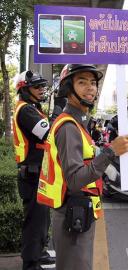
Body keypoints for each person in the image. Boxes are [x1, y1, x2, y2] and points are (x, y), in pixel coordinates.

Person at [36, 64, 128, 270]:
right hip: (72, 214)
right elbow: (75, 180)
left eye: (92, 83)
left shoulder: (78, 123)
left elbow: (86, 159)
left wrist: (112, 151)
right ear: (68, 90)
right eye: (82, 82)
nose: (90, 88)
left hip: (78, 213)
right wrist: (110, 152)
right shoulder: (68, 127)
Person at [13, 70, 65, 270]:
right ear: (24, 90)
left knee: (42, 220)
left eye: (42, 86)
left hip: (37, 174)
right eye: (37, 87)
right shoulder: (26, 111)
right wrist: (58, 112)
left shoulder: (32, 109)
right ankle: (31, 263)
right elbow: (48, 133)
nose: (42, 90)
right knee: (34, 223)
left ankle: (40, 253)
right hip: (31, 175)